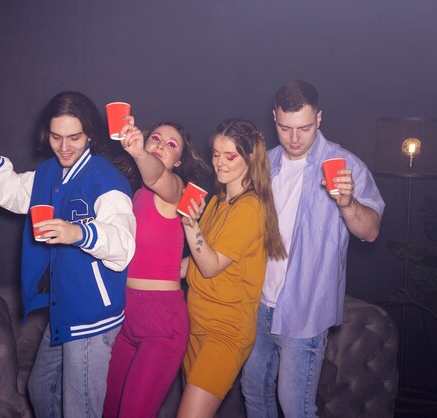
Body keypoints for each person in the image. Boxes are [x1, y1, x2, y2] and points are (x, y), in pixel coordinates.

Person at [0, 91, 136, 418]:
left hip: (91, 315)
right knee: (41, 389)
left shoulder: (106, 179)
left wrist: (79, 233)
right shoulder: (49, 173)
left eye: (74, 137)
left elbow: (124, 245)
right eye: (57, 137)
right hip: (64, 306)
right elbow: (16, 195)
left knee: (80, 410)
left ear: (90, 135)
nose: (64, 147)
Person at [240, 80, 386, 418]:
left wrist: (347, 203)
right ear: (273, 117)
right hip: (258, 304)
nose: (294, 138)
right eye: (285, 127)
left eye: (304, 128)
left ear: (319, 118)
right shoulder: (265, 164)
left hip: (304, 312)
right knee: (254, 394)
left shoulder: (344, 164)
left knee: (296, 409)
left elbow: (371, 231)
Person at [176, 118, 286, 418]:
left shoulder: (251, 207)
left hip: (225, 333)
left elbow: (210, 266)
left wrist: (190, 224)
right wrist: (148, 273)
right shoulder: (218, 201)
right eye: (215, 153)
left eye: (229, 156)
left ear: (249, 159)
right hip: (197, 325)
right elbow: (193, 265)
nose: (218, 163)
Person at [103, 117, 209, 418]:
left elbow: (155, 176)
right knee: (107, 410)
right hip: (126, 318)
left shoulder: (176, 190)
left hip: (162, 326)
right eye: (156, 140)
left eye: (171, 145)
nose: (161, 146)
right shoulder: (134, 196)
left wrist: (140, 153)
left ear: (177, 162)